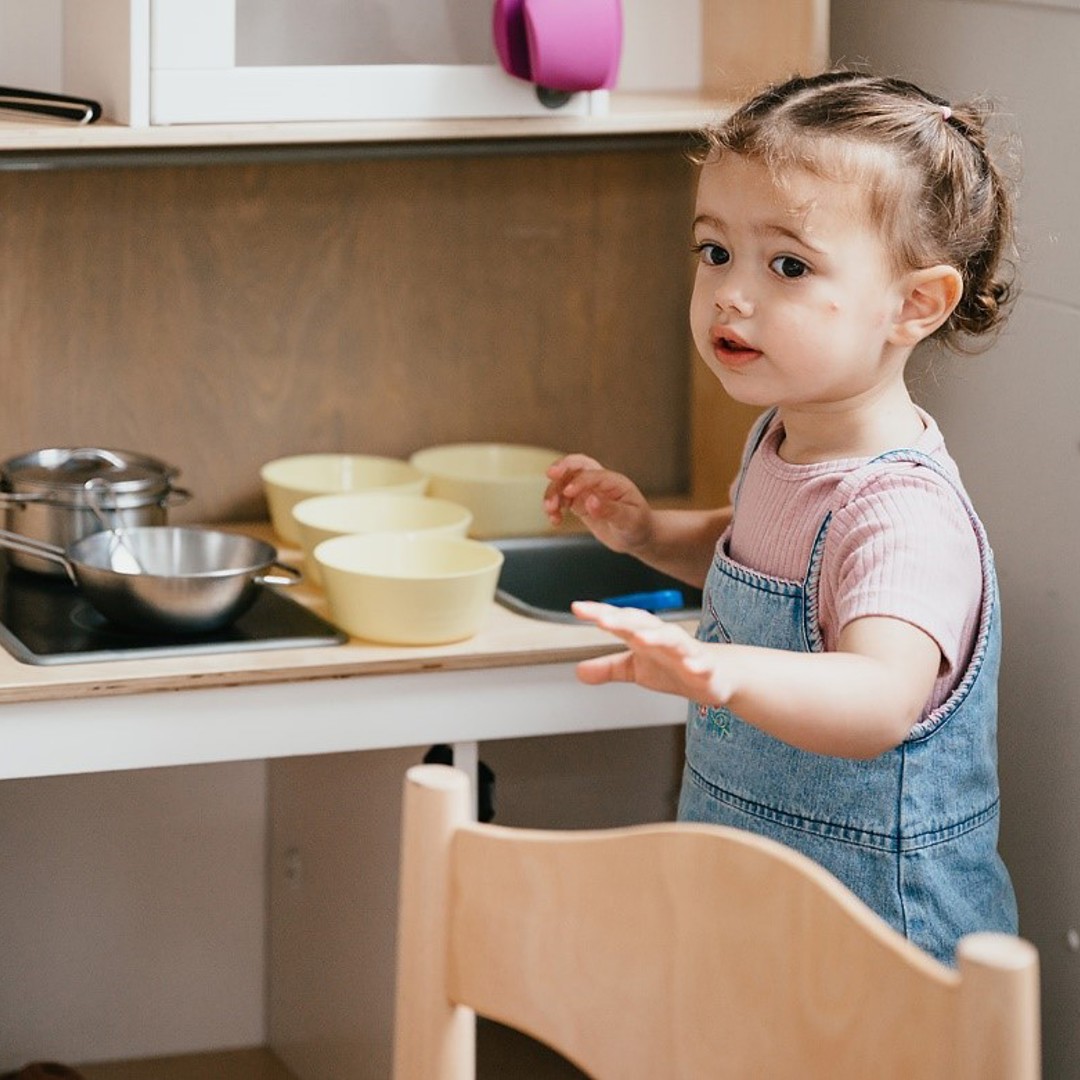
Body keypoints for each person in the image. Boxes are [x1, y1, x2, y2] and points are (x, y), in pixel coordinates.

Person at [543, 70, 1019, 964]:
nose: (730, 292)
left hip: (881, 935)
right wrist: (651, 536)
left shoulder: (903, 514)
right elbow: (767, 560)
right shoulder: (786, 439)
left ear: (916, 304)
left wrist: (721, 672)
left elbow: (879, 698)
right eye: (715, 251)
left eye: (788, 265)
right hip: (763, 896)